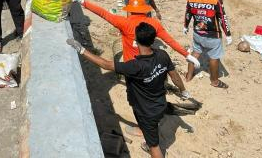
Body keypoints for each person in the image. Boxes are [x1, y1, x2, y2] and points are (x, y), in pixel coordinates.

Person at [67, 22, 190, 158]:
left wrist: (81, 50)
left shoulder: (135, 66)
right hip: (160, 104)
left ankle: (151, 146)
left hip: (146, 111)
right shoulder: (162, 55)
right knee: (150, 126)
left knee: (154, 146)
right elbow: (175, 76)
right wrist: (183, 91)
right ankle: (144, 131)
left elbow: (106, 65)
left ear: (136, 41)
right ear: (153, 40)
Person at [75, 0, 200, 68]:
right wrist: (187, 55)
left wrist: (82, 1)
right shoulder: (154, 23)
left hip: (131, 65)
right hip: (148, 64)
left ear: (129, 10)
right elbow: (170, 41)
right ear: (146, 10)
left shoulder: (123, 23)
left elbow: (103, 13)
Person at [183, 0, 232, 88]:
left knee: (195, 53)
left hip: (197, 33)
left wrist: (185, 26)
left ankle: (188, 77)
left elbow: (188, 14)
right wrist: (228, 34)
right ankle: (215, 81)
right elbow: (222, 17)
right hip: (213, 35)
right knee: (214, 57)